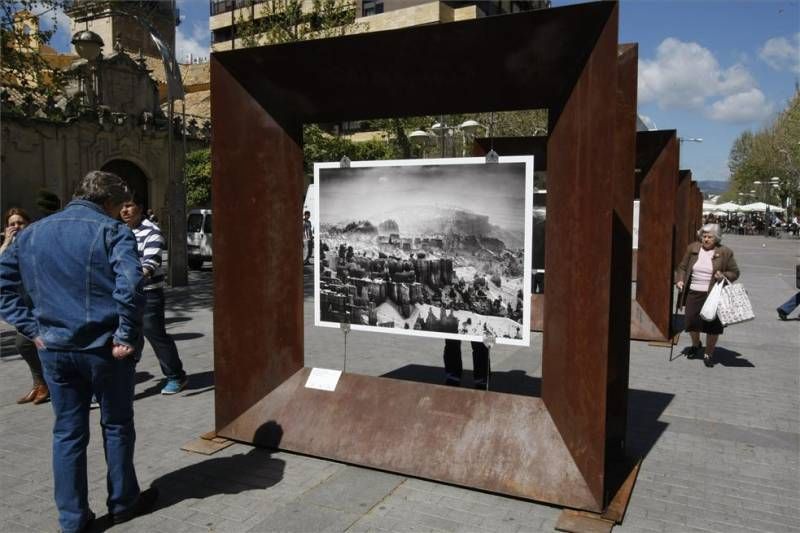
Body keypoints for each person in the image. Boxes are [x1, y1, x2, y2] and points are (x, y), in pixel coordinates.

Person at [0, 171, 158, 533]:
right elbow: (131, 285)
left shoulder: (32, 234)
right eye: (119, 207)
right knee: (116, 426)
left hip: (55, 349)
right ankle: (123, 502)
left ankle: (72, 521)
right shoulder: (111, 230)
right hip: (104, 349)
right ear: (109, 202)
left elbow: (4, 287)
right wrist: (125, 335)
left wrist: (33, 328)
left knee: (67, 432)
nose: (121, 213)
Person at [120, 197, 188, 395]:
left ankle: (176, 376)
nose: (124, 210)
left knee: (155, 335)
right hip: (125, 296)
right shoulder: (119, 231)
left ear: (139, 208)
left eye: (129, 205)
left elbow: (151, 261)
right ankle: (122, 381)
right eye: (122, 206)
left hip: (148, 294)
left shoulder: (152, 231)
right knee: (127, 338)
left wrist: (135, 277)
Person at [0, 208, 49, 405]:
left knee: (25, 343)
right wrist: (5, 243)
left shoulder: (36, 243)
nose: (16, 227)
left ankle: (47, 383)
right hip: (22, 304)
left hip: (42, 302)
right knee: (26, 344)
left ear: (29, 223)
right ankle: (40, 383)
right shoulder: (7, 248)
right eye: (12, 224)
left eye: (20, 222)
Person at [676, 223, 740, 367]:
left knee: (712, 325)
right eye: (704, 236)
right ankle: (696, 344)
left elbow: (735, 272)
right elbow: (682, 267)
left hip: (713, 294)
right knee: (691, 322)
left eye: (709, 237)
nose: (705, 239)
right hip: (693, 292)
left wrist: (723, 275)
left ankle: (708, 353)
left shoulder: (725, 252)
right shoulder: (693, 248)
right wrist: (680, 280)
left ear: (716, 238)